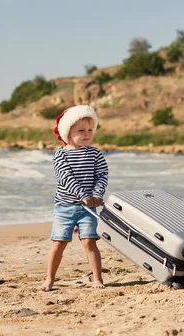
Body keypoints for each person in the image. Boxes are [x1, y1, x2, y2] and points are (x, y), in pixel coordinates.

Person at [39, 105, 109, 291]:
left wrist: (96, 195)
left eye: (89, 130)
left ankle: (97, 279)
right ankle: (49, 279)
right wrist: (83, 195)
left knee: (89, 242)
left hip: (88, 209)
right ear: (67, 133)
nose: (86, 134)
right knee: (59, 243)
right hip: (65, 207)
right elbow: (65, 177)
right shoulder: (61, 154)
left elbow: (102, 175)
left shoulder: (95, 154)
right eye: (81, 131)